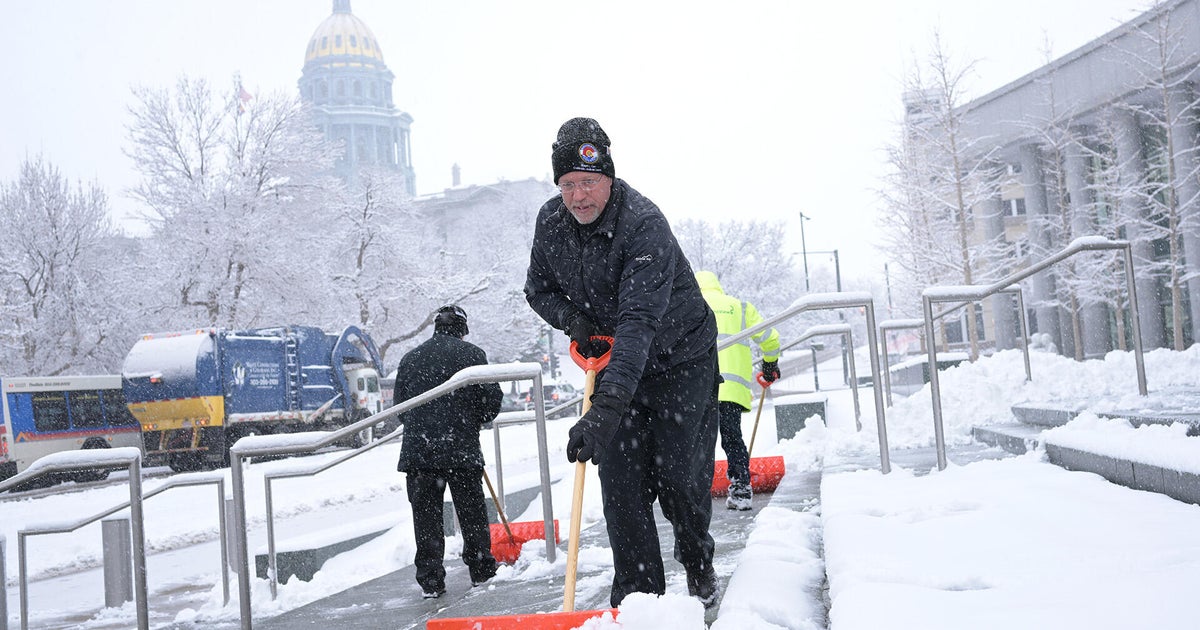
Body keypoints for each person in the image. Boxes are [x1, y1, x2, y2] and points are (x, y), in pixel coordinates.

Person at [525, 117, 722, 608]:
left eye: (588, 182)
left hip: (681, 361)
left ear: (609, 178)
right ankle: (639, 604)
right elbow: (537, 290)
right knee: (622, 491)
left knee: (681, 482)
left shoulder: (643, 225)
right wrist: (575, 321)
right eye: (568, 184)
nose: (578, 196)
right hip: (617, 362)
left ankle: (697, 561)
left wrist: (602, 413)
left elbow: (637, 324)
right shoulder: (551, 224)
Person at [392, 305, 502, 599]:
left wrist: (425, 428)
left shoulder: (410, 358)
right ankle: (480, 568)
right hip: (461, 450)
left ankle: (430, 579)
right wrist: (468, 419)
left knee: (426, 518)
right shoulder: (473, 356)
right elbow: (491, 405)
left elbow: (400, 409)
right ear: (463, 329)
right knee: (471, 512)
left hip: (419, 451)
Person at [694, 270, 781, 511]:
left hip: (697, 388)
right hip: (731, 389)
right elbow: (770, 338)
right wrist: (770, 363)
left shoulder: (689, 304)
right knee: (732, 437)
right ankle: (742, 487)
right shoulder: (739, 307)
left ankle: (695, 493)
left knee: (697, 441)